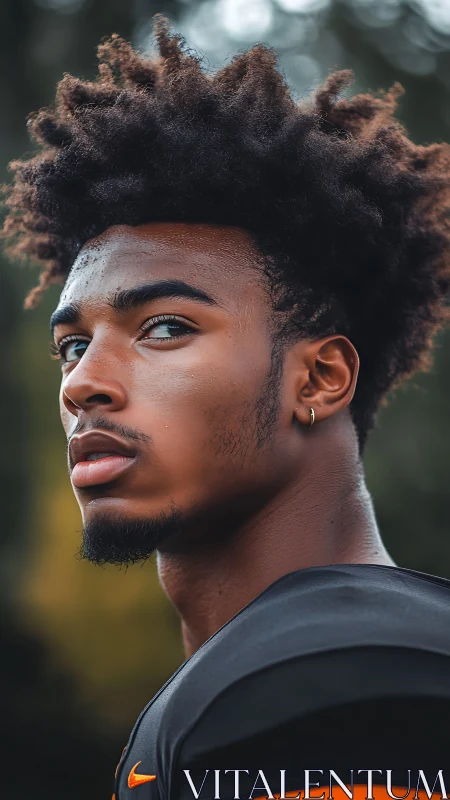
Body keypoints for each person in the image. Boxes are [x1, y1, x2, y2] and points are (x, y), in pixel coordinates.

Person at [3, 15, 450, 800]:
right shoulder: (264, 674)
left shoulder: (341, 675)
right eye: (71, 345)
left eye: (164, 328)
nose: (82, 383)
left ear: (319, 379)